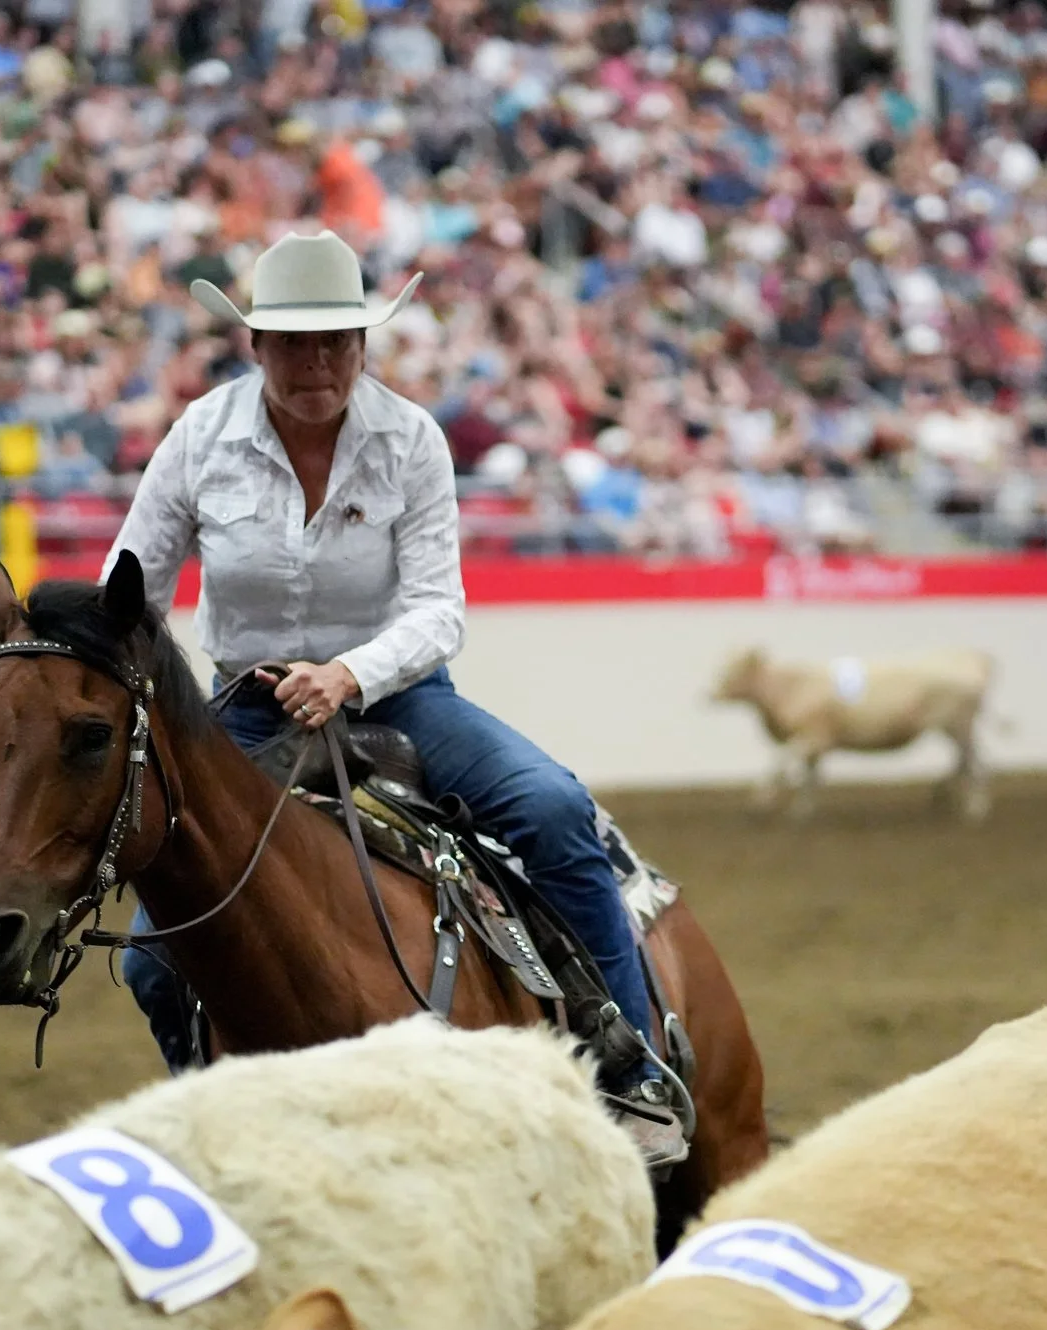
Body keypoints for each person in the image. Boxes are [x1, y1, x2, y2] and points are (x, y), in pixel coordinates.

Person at [103, 231, 687, 1165]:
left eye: (337, 340)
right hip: (249, 707)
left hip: (401, 698)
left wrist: (348, 674)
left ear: (363, 345)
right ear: (255, 346)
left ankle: (630, 1064)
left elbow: (436, 610)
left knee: (551, 806)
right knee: (151, 959)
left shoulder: (410, 440)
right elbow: (130, 586)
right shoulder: (200, 440)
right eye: (294, 343)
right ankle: (203, 1113)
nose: (317, 362)